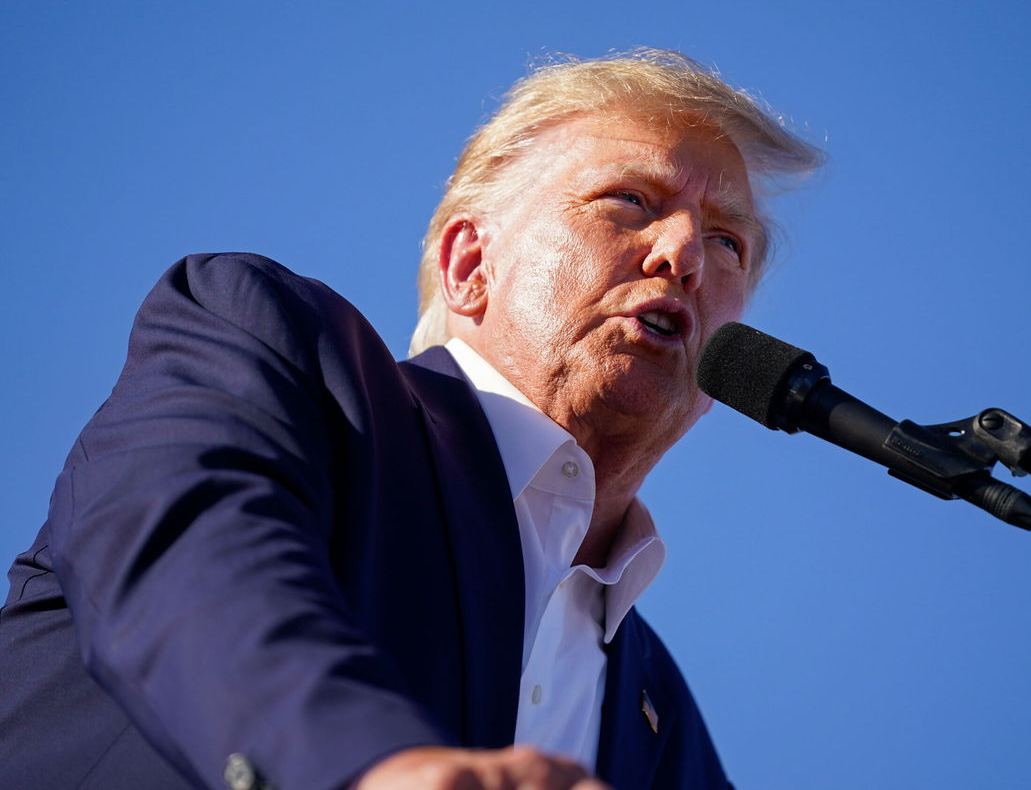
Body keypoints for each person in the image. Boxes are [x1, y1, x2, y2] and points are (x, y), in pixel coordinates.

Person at [0, 49, 821, 789]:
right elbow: (190, 552)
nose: (680, 253)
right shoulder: (282, 351)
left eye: (727, 244)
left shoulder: (665, 728)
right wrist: (373, 764)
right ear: (470, 265)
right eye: (632, 200)